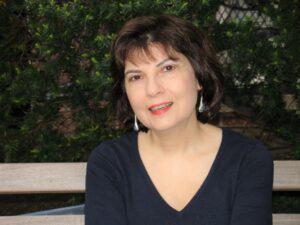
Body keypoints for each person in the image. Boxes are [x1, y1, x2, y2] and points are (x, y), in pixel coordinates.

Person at [85, 14, 273, 225]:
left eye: (167, 68)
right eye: (136, 77)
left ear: (199, 76)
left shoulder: (246, 159)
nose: (152, 89)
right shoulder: (110, 163)